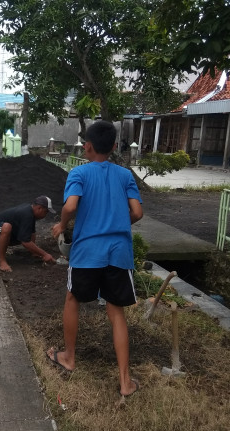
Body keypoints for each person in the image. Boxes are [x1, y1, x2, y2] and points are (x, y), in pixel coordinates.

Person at [48, 120, 143, 400]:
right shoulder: (125, 175)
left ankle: (68, 357)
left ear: (87, 146)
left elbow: (71, 205)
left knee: (73, 299)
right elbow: (137, 213)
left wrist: (62, 225)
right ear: (114, 147)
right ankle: (125, 382)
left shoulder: (78, 173)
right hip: (118, 252)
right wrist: (117, 222)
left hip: (87, 251)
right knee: (116, 312)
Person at [0, 196, 57, 272]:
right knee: (6, 227)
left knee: (23, 233)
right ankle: (2, 261)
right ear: (39, 208)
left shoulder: (30, 212)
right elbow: (25, 242)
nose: (46, 215)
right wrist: (45, 254)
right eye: (46, 212)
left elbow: (31, 233)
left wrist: (35, 252)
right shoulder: (26, 214)